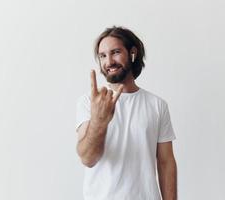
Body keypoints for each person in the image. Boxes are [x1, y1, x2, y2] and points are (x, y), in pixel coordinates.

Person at [76, 26, 177, 200]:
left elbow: (166, 163)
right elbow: (87, 158)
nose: (109, 62)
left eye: (115, 52)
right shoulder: (89, 102)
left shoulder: (157, 105)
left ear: (132, 53)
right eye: (102, 56)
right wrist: (99, 121)